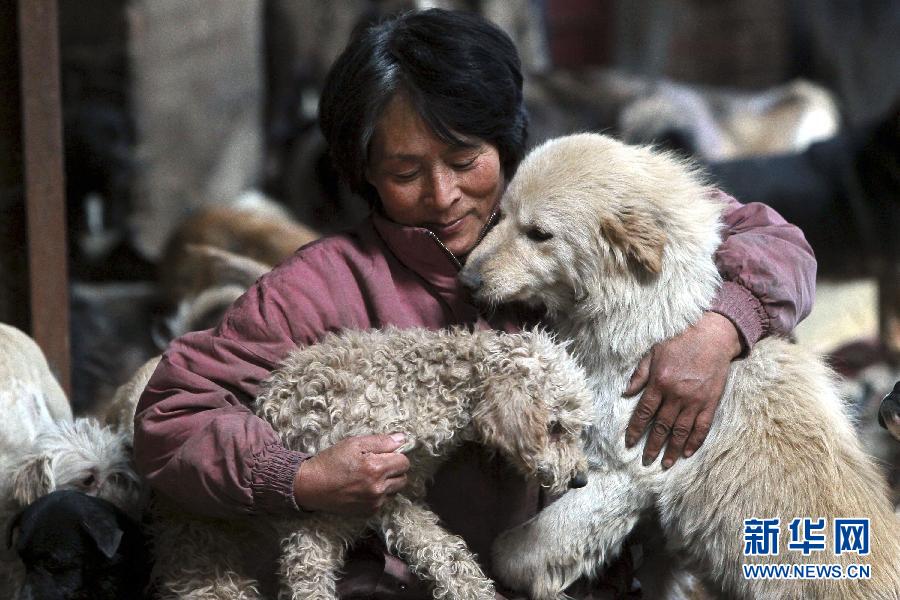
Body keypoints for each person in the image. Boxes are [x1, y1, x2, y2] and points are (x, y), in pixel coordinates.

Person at [133, 8, 816, 599]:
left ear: (504, 139)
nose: (443, 195)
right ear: (364, 175)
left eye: (465, 161)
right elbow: (172, 415)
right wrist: (299, 477)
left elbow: (775, 241)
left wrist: (722, 327)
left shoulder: (564, 207)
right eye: (405, 172)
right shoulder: (321, 287)